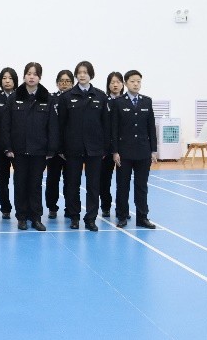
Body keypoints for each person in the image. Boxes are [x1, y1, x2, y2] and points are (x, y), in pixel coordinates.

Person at [3, 62, 58, 231]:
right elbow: (6, 125)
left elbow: (52, 126)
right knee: (20, 184)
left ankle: (36, 218)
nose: (31, 77)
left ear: (40, 77)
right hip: (18, 150)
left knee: (35, 185)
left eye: (35, 74)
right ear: (24, 76)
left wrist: (51, 149)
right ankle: (21, 218)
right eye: (28, 73)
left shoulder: (47, 98)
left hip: (39, 151)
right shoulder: (14, 97)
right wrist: (8, 147)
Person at [57, 61, 110, 231]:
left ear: (91, 75)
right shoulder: (66, 97)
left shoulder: (101, 96)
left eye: (85, 72)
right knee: (72, 185)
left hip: (95, 148)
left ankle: (91, 219)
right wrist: (61, 148)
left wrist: (105, 148)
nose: (82, 75)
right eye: (79, 72)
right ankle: (74, 217)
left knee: (93, 186)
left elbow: (105, 124)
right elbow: (61, 125)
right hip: (73, 148)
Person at [112, 70, 157, 229]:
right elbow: (114, 129)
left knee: (142, 186)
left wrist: (153, 150)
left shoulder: (147, 101)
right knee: (122, 186)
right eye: (132, 81)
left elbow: (151, 127)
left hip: (143, 151)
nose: (136, 84)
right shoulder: (118, 102)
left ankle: (142, 217)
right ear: (125, 83)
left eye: (138, 81)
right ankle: (122, 216)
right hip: (124, 152)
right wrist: (115, 151)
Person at [45, 70, 74, 219]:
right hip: (54, 148)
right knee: (52, 179)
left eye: (68, 81)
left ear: (72, 83)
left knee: (71, 180)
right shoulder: (50, 99)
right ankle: (52, 207)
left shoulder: (76, 99)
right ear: (57, 83)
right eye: (61, 81)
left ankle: (70, 208)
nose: (64, 83)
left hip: (71, 148)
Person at [0, 67, 18, 219]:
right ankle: (5, 208)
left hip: (18, 146)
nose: (7, 81)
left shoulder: (21, 97)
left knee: (20, 180)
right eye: (4, 78)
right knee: (2, 180)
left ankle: (22, 208)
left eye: (10, 78)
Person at [100, 72, 124, 218]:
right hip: (106, 149)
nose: (115, 85)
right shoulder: (104, 101)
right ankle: (106, 206)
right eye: (112, 82)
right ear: (108, 85)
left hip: (123, 148)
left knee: (123, 182)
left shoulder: (127, 101)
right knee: (104, 180)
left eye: (118, 82)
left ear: (123, 84)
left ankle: (122, 209)